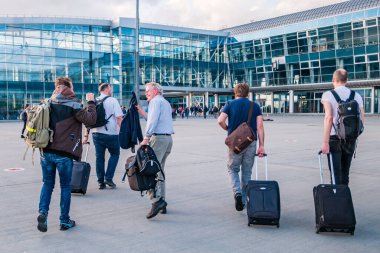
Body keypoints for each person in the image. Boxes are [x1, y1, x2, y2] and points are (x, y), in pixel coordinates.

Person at [37, 77, 97, 232]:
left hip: (46, 151)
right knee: (65, 187)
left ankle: (42, 212)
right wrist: (91, 102)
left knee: (47, 184)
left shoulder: (48, 102)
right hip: (64, 153)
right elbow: (91, 120)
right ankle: (64, 221)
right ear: (69, 87)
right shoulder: (74, 104)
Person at [217, 83, 265, 211]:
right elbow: (260, 126)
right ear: (248, 93)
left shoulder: (229, 103)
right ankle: (244, 199)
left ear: (235, 93)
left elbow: (220, 120)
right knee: (247, 172)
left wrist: (227, 129)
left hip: (235, 143)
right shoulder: (254, 106)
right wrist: (262, 146)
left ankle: (237, 193)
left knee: (232, 169)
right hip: (251, 141)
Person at [136, 82, 174, 219]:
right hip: (167, 140)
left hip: (158, 139)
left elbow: (152, 122)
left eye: (148, 91)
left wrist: (146, 138)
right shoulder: (164, 102)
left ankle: (156, 201)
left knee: (148, 171)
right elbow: (155, 119)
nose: (146, 93)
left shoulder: (155, 102)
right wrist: (141, 111)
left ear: (156, 91)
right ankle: (162, 201)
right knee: (159, 171)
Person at [321, 69, 364, 185]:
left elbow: (329, 118)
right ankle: (345, 200)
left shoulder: (328, 95)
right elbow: (361, 120)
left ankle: (336, 201)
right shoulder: (356, 96)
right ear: (346, 80)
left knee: (335, 174)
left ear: (333, 80)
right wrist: (352, 135)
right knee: (345, 172)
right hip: (351, 138)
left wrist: (325, 142)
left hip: (334, 138)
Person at [84, 83, 123, 190]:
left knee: (99, 157)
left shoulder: (93, 101)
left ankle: (100, 181)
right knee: (115, 154)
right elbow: (119, 118)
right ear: (106, 89)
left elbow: (89, 119)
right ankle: (109, 178)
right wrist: (123, 131)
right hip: (111, 133)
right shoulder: (113, 100)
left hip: (96, 133)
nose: (111, 91)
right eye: (110, 88)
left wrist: (86, 136)